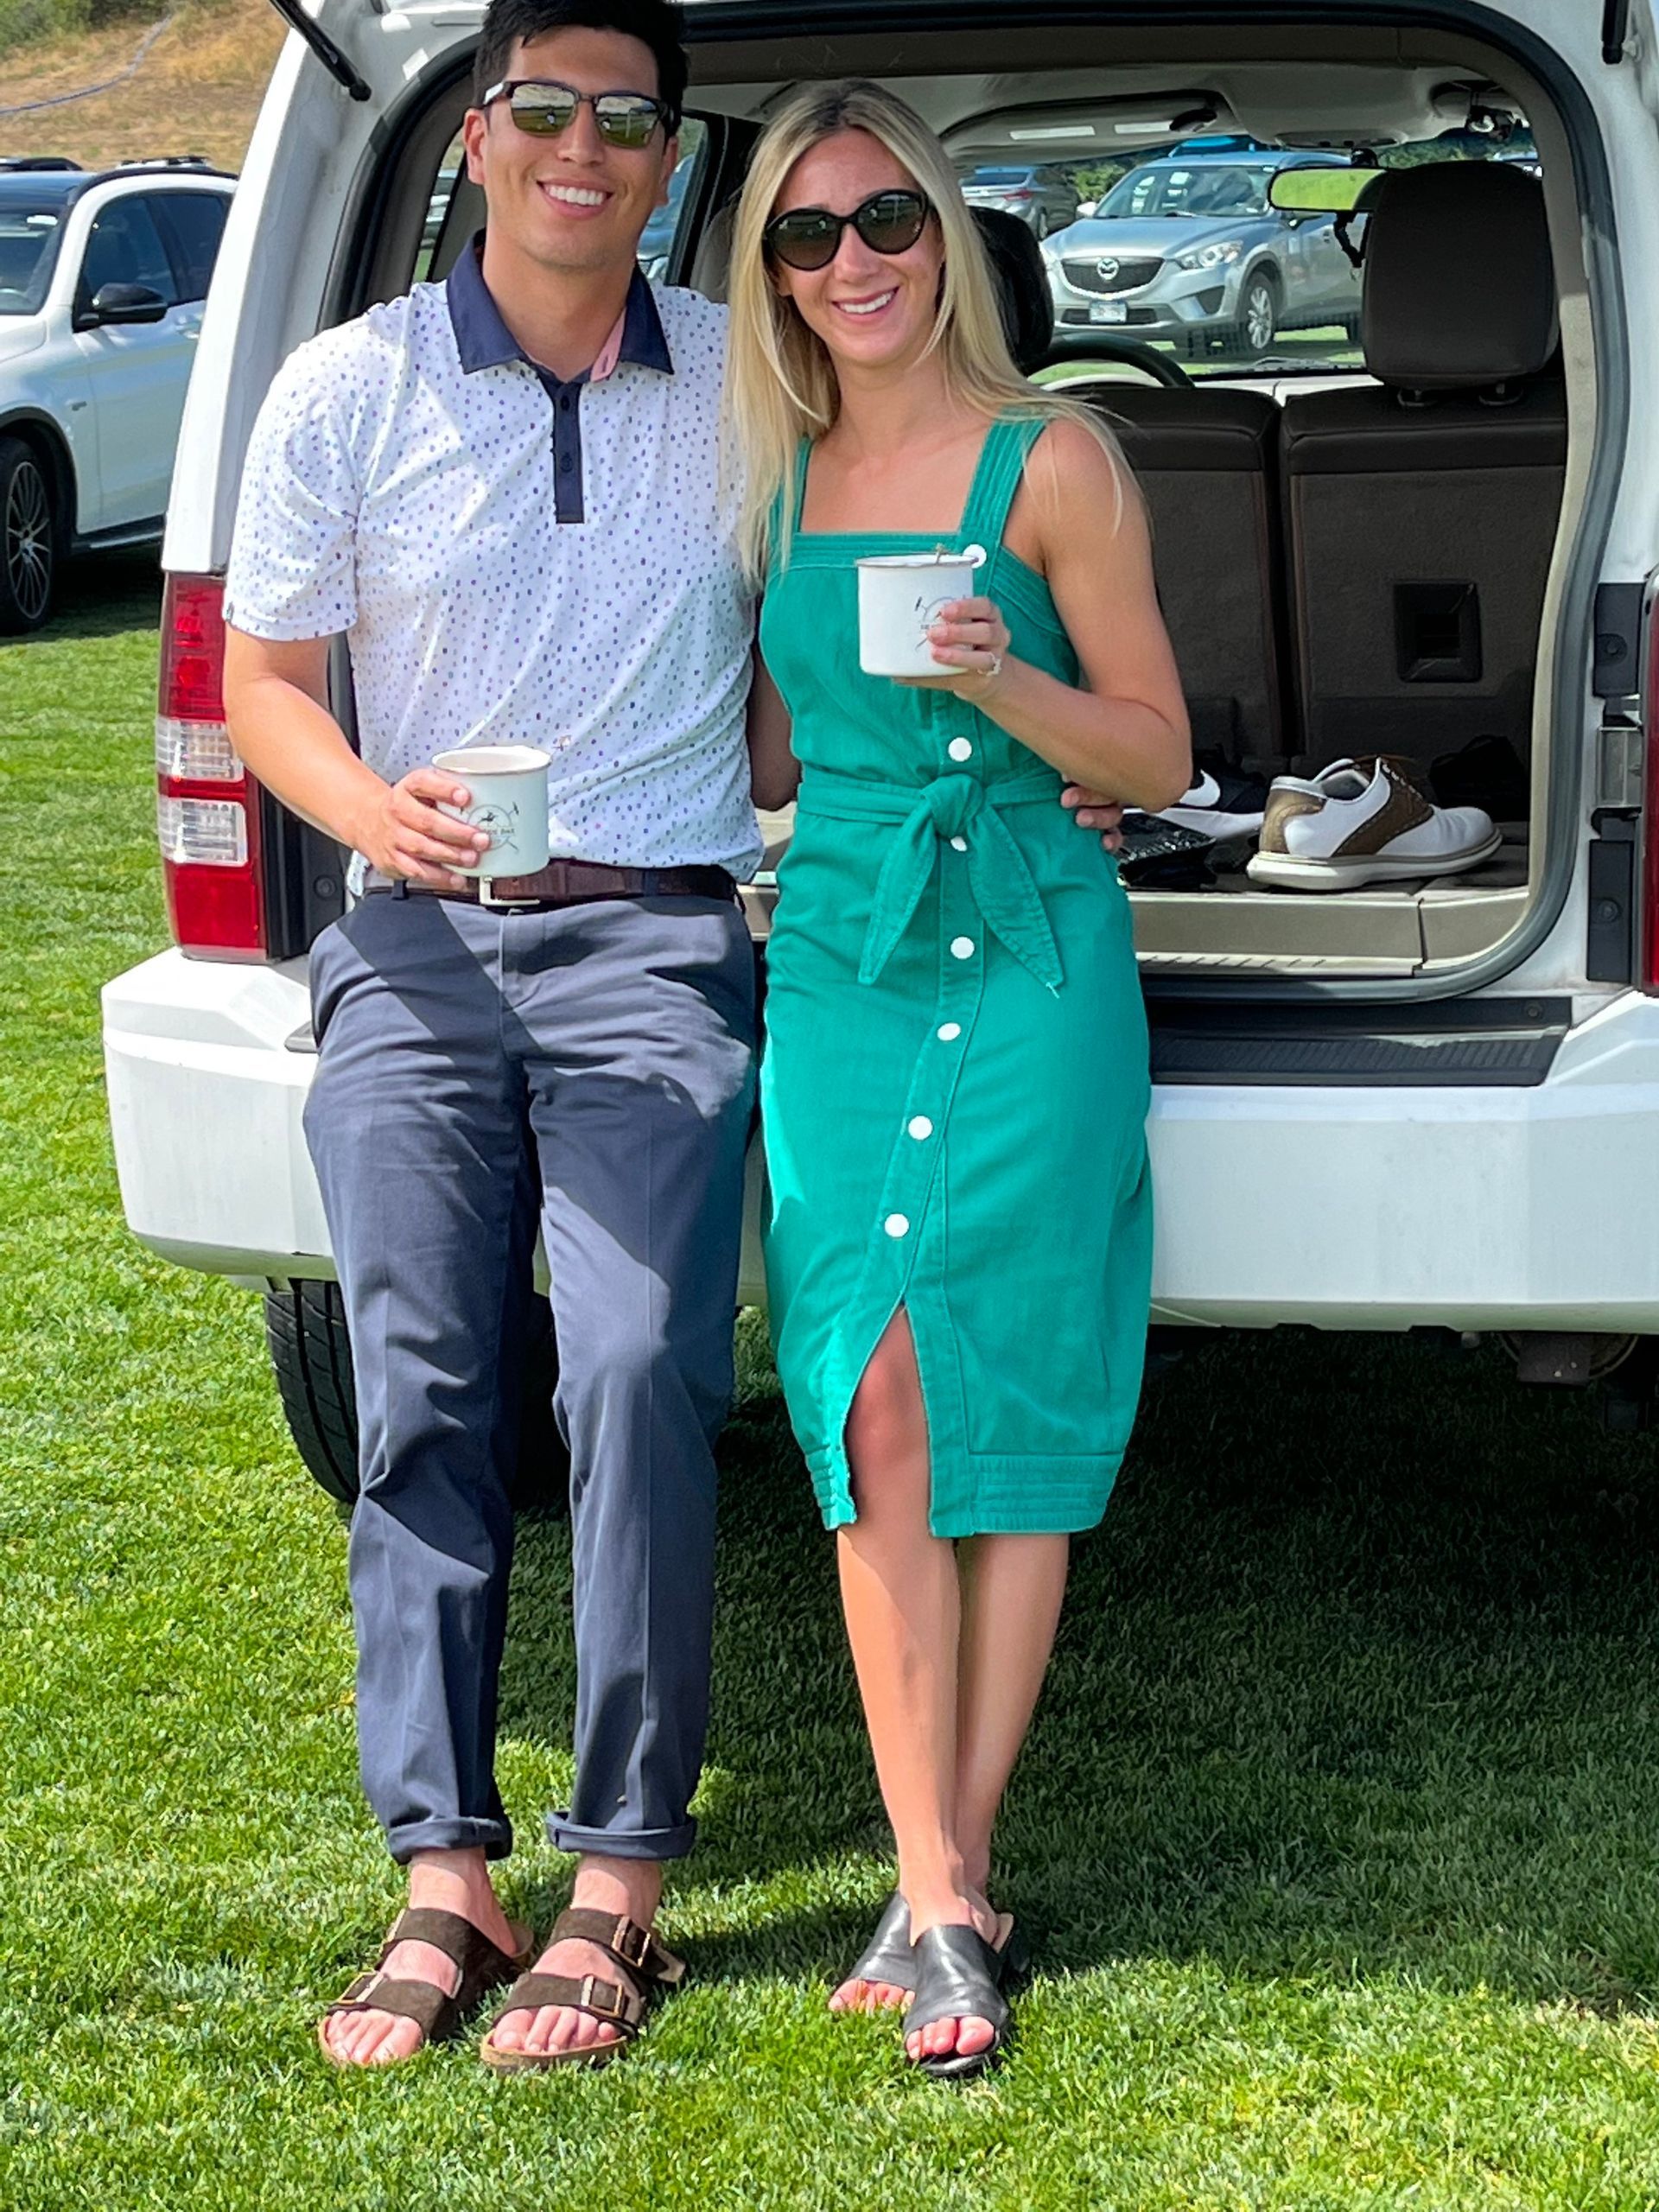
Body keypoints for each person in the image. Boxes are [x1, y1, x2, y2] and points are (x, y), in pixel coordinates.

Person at [222, 0, 760, 2072]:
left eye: (629, 120)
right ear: (473, 134)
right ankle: (443, 1869)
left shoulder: (738, 377)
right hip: (417, 945)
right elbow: (270, 680)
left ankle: (618, 1877)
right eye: (545, 106)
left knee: (633, 1362)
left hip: (652, 942)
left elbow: (840, 596)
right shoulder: (337, 392)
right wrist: (378, 812)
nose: (584, 148)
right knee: (425, 1386)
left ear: (665, 156)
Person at [728, 80, 1190, 2079]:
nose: (858, 264)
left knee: (998, 1391)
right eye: (811, 236)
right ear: (773, 272)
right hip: (840, 958)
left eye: (890, 221)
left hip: (1035, 958)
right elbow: (763, 755)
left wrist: (1001, 678)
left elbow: (1162, 752)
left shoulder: (1058, 458)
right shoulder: (770, 485)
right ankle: (941, 1881)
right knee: (871, 1388)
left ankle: (943, 1883)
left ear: (950, 232)